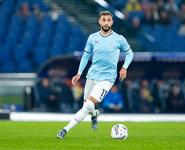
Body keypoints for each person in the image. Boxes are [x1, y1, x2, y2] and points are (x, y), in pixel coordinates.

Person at [57, 11, 134, 139]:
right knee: (86, 106)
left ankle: (65, 130)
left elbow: (130, 53)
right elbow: (86, 56)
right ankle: (94, 115)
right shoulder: (92, 38)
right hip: (92, 75)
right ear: (99, 21)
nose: (106, 22)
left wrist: (124, 67)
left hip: (107, 78)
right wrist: (79, 73)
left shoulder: (119, 39)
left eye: (109, 20)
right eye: (103, 20)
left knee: (88, 105)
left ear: (112, 22)